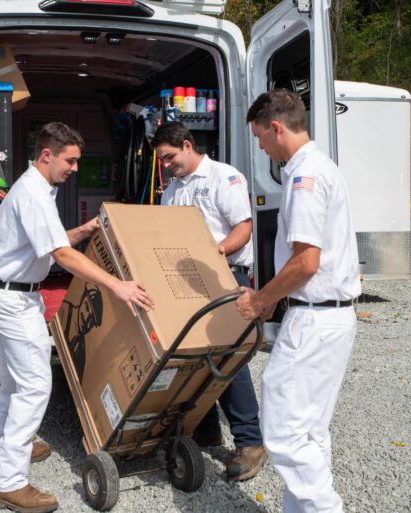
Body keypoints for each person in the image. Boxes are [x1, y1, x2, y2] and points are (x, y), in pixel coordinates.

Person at [0, 122, 154, 512]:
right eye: (70, 160)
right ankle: (8, 482)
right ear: (47, 155)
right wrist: (118, 285)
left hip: (12, 295)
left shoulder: (35, 189)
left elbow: (47, 242)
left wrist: (85, 229)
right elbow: (60, 254)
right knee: (35, 386)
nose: (75, 168)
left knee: (13, 384)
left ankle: (1, 445)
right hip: (14, 300)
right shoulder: (34, 194)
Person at [237, 90, 361, 513]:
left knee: (286, 428)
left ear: (275, 127)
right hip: (330, 317)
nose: (259, 146)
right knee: (309, 430)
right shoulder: (323, 168)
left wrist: (259, 301)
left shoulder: (304, 177)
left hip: (314, 320)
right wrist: (274, 300)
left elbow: (306, 262)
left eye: (259, 137)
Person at [151, 121, 267, 482]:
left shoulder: (224, 177)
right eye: (163, 161)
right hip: (187, 281)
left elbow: (243, 228)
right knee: (195, 353)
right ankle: (206, 429)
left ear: (187, 146)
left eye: (170, 158)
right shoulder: (173, 190)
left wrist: (212, 252)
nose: (167, 165)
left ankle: (250, 442)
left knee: (228, 358)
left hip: (225, 275)